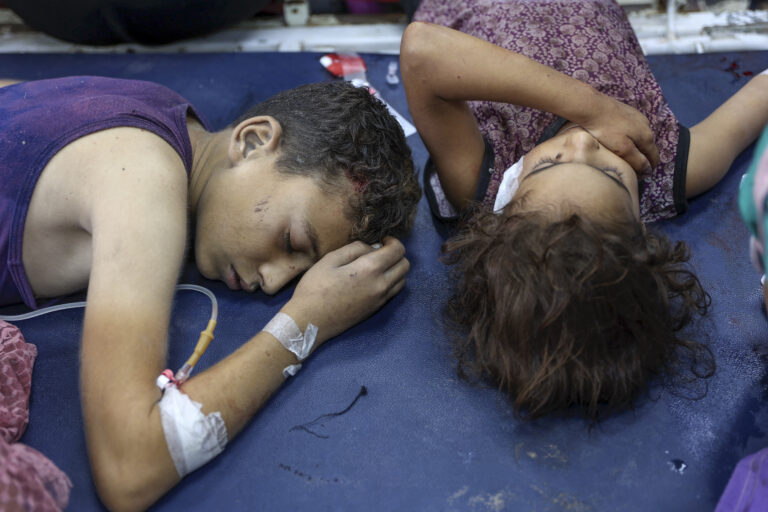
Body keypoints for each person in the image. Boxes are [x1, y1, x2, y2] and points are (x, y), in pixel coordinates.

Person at [0, 75, 420, 510]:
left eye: (300, 276)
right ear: (253, 140)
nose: (275, 281)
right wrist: (308, 319)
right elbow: (128, 469)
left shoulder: (163, 108)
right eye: (292, 241)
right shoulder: (145, 186)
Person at [400, 0, 768, 421]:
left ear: (506, 207)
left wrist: (592, 107)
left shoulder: (478, 181)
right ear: (642, 229)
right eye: (612, 174)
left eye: (551, 163)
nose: (582, 143)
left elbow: (421, 51)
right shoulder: (669, 167)